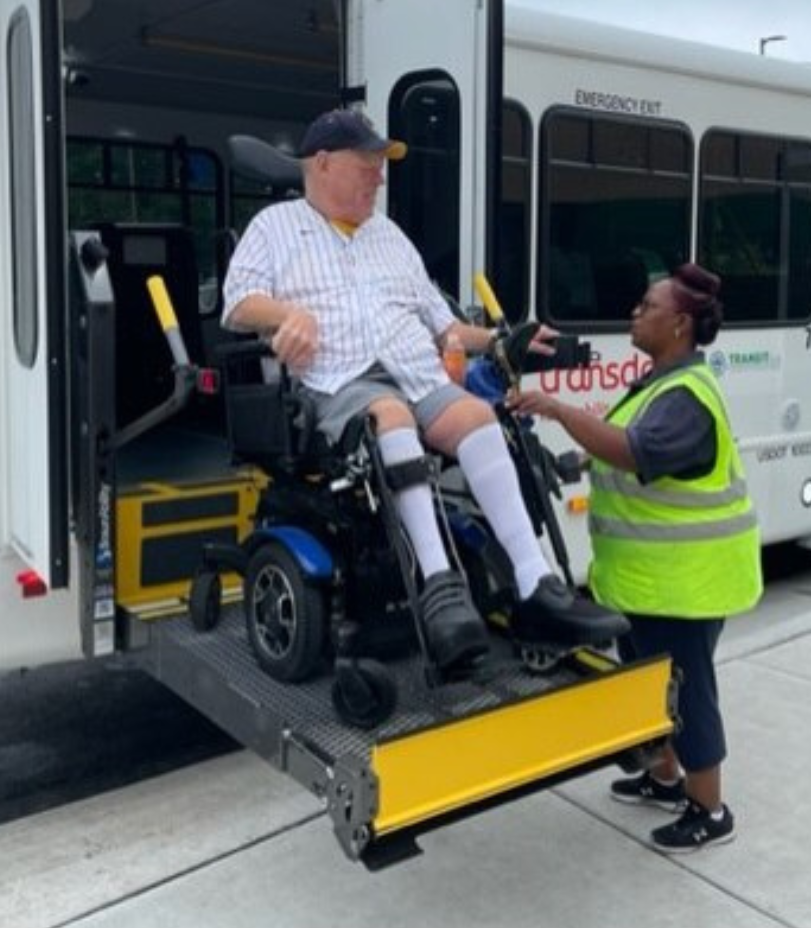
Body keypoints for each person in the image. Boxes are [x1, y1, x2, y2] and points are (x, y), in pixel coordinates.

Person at [221, 108, 627, 673]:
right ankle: (439, 589)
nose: (379, 179)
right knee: (391, 416)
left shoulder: (389, 235)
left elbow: (445, 327)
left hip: (415, 372)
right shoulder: (277, 225)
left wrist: (504, 340)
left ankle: (535, 587)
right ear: (323, 163)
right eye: (368, 166)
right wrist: (287, 312)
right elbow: (237, 305)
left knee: (479, 418)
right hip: (342, 382)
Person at [509, 264, 762, 852]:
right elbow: (622, 451)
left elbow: (635, 450)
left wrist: (558, 409)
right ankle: (665, 778)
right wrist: (572, 465)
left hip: (687, 584)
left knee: (687, 691)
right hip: (647, 581)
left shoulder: (686, 397)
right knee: (652, 687)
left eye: (646, 306)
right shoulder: (656, 383)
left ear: (677, 323)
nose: (634, 313)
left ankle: (709, 808)